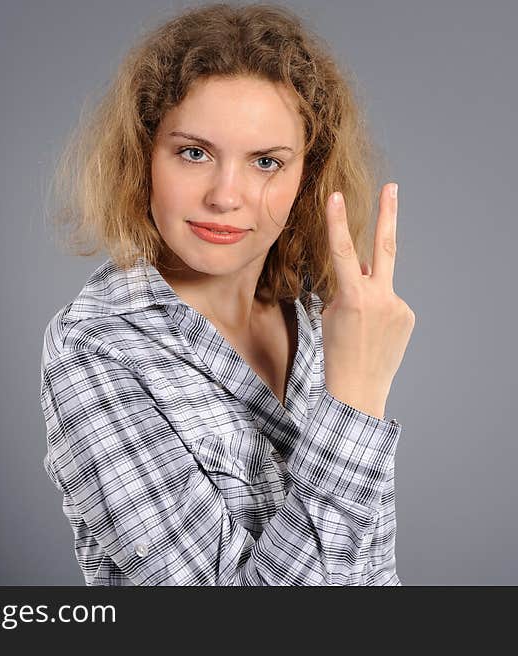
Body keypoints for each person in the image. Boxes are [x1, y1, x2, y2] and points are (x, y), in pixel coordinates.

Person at [39, 2, 415, 585]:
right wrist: (357, 402)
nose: (225, 195)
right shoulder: (97, 347)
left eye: (266, 161)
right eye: (194, 153)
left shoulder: (325, 318)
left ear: (306, 177)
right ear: (143, 158)